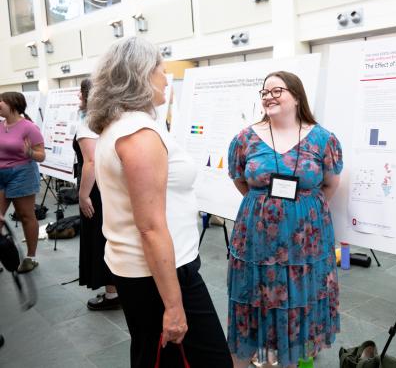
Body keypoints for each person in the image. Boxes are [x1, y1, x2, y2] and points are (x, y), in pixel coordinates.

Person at [87, 36, 232, 368]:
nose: (165, 79)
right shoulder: (138, 134)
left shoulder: (121, 126)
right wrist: (174, 305)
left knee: (154, 355)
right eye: (160, 70)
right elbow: (150, 227)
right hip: (161, 274)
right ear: (139, 74)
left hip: (145, 270)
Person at [227, 71, 343, 368]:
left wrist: (301, 213)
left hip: (305, 242)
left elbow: (330, 184)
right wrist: (265, 207)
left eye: (276, 91)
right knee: (258, 296)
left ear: (296, 95)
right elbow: (241, 180)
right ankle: (260, 354)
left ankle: (289, 357)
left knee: (297, 298)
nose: (268, 96)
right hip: (257, 238)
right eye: (264, 92)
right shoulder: (245, 138)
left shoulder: (322, 138)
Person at [73, 79, 120, 310]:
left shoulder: (87, 123)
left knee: (100, 238)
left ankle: (112, 295)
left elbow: (90, 162)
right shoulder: (113, 117)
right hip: (110, 185)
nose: (78, 98)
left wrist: (83, 195)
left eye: (80, 94)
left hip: (95, 189)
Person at [0, 92, 45, 273]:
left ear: (13, 104)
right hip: (1, 174)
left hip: (22, 174)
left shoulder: (29, 127)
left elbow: (41, 155)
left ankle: (30, 257)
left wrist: (30, 153)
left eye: (0, 101)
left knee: (26, 216)